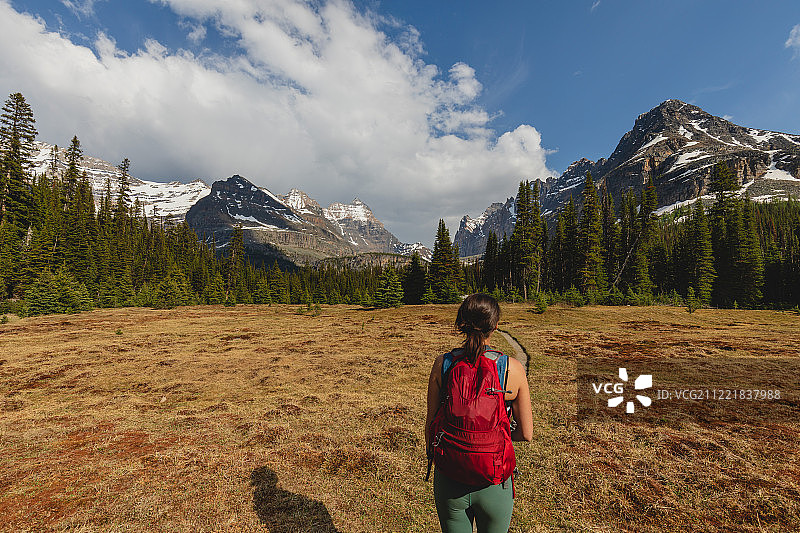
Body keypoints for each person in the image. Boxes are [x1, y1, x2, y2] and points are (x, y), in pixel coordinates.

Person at [425, 293, 533, 533]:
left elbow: (431, 423)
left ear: (461, 322)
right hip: (494, 479)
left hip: (450, 476)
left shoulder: (442, 364)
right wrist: (498, 437)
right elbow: (526, 433)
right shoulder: (511, 369)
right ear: (495, 326)